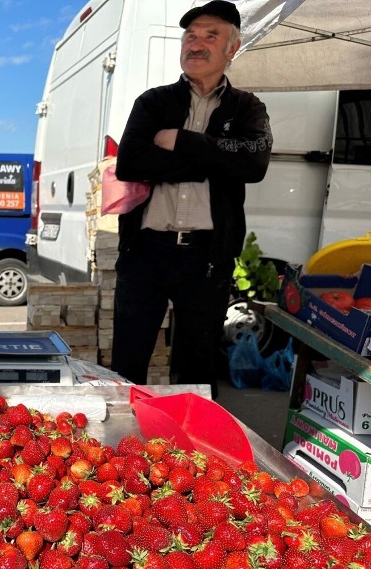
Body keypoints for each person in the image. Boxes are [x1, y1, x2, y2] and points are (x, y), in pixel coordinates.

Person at [110, 0, 272, 398]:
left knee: (195, 368)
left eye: (210, 36)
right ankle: (116, 451)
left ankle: (190, 452)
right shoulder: (153, 102)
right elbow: (131, 162)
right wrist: (207, 161)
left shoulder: (248, 107)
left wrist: (182, 141)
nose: (196, 44)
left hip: (207, 256)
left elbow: (253, 163)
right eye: (190, 35)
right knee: (128, 360)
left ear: (232, 48)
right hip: (146, 249)